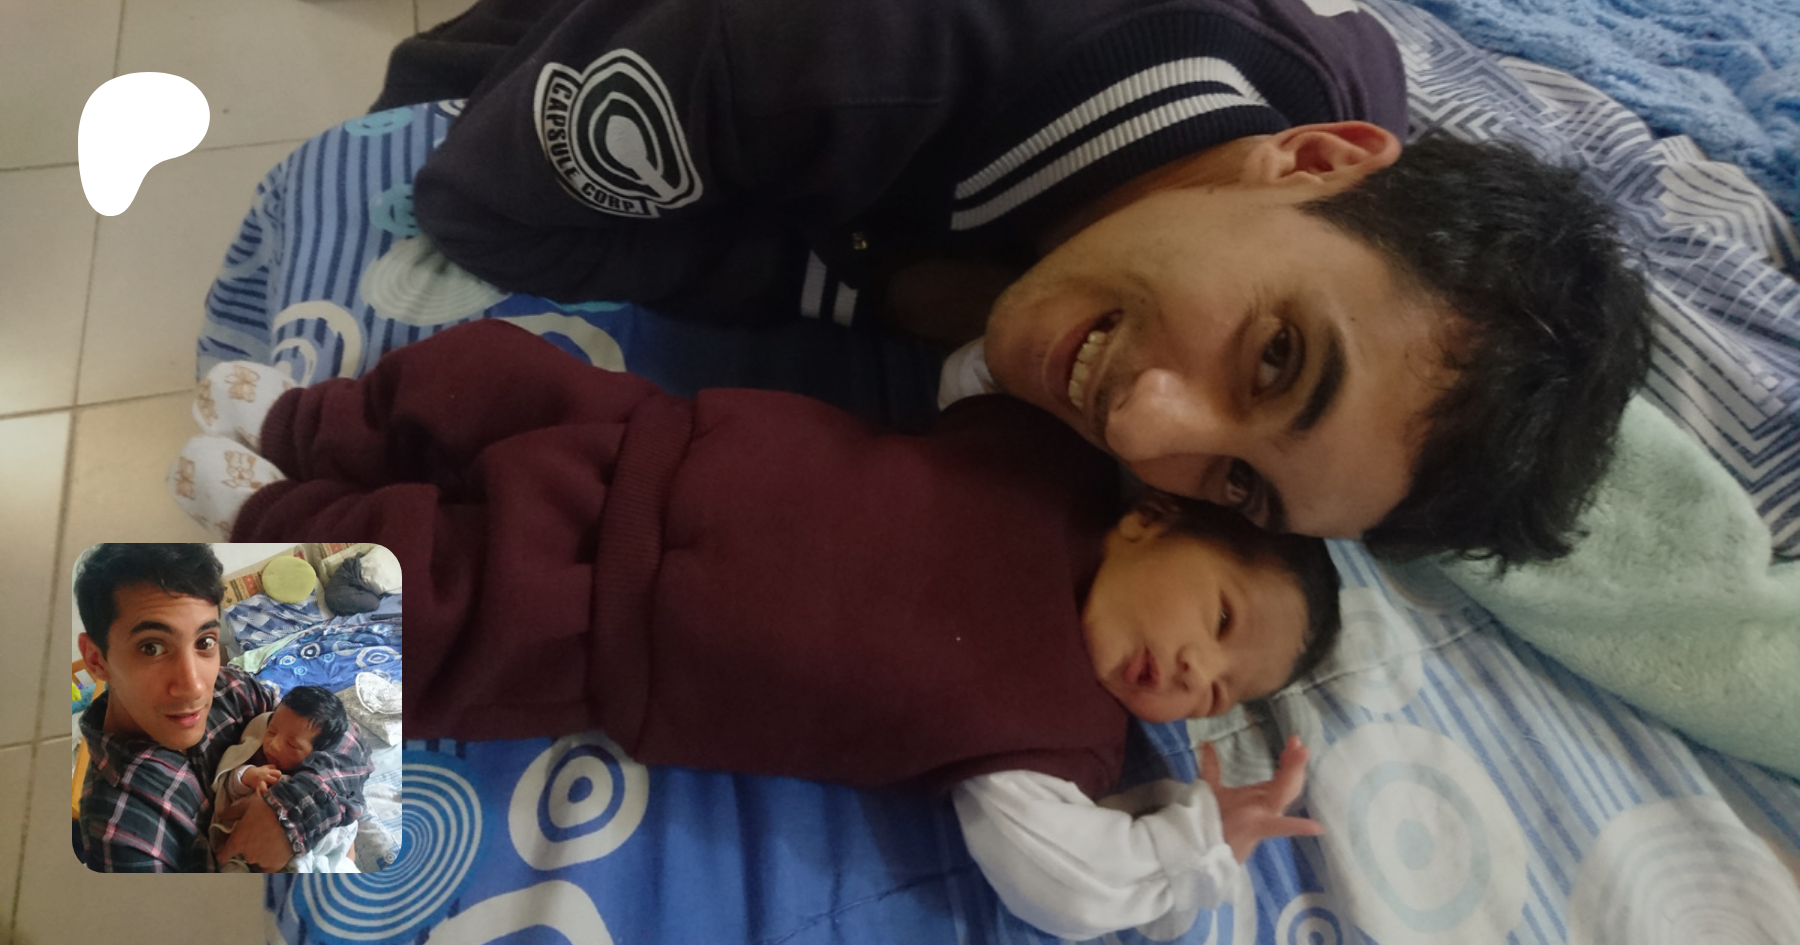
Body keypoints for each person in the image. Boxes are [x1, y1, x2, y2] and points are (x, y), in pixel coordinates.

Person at [370, 0, 1653, 567]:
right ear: (1314, 160)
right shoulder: (840, 51)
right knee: (289, 733)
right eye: (1276, 357)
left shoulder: (1337, 118)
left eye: (1240, 485)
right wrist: (871, 295)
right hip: (514, 103)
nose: (1140, 430)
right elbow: (473, 202)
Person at [169, 318, 1340, 935]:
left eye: (1221, 693)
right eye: (1221, 620)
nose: (1198, 674)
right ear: (1152, 518)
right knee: (482, 375)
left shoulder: (1054, 737)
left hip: (615, 626)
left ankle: (272, 520)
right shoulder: (1046, 465)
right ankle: (313, 421)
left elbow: (1064, 886)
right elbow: (985, 367)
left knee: (438, 614)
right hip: (648, 438)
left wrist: (1199, 840)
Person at [73, 543, 373, 872]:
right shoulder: (121, 834)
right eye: (151, 647)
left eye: (205, 642)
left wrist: (296, 812)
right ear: (95, 660)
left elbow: (345, 736)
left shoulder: (231, 689)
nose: (195, 686)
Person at [209, 685, 371, 872]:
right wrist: (248, 776)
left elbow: (344, 818)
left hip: (312, 850)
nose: (274, 745)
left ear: (316, 753)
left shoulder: (316, 771)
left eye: (292, 745)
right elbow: (229, 781)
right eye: (271, 731)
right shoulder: (259, 757)